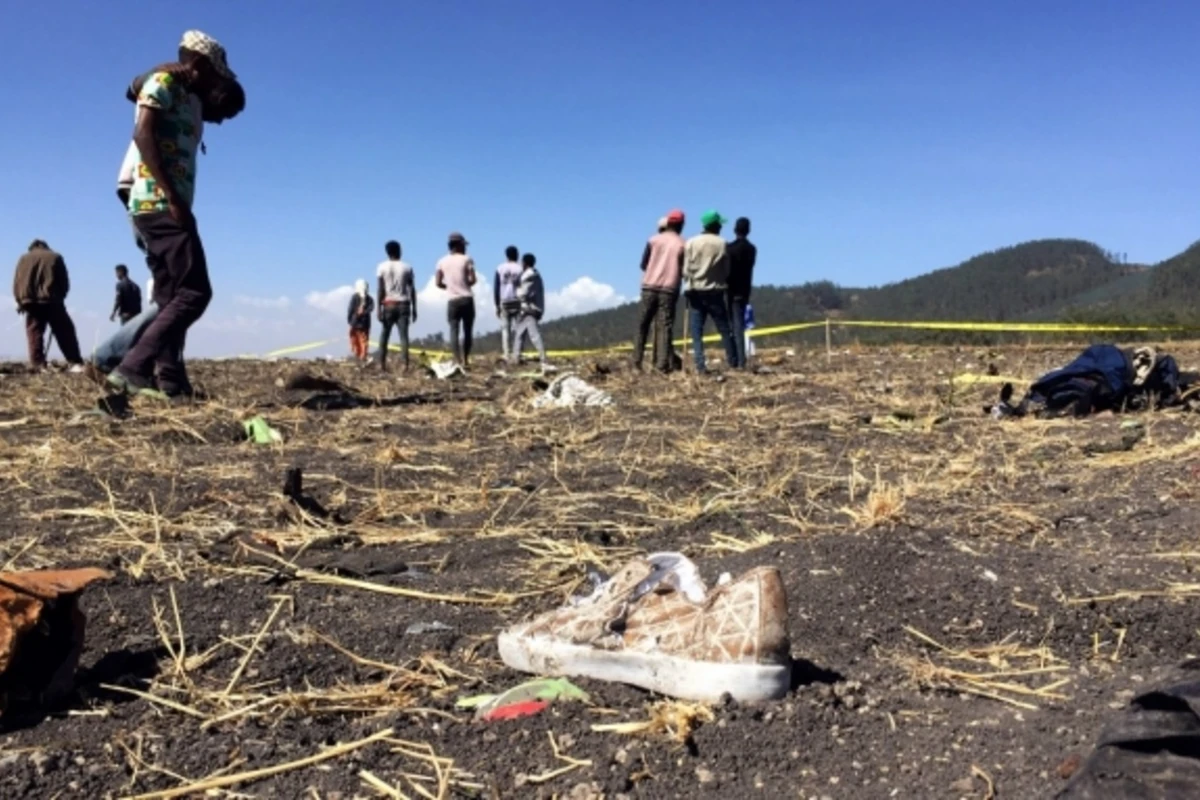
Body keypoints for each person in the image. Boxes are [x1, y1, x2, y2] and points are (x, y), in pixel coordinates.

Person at [107, 30, 238, 400]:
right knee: (196, 291)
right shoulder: (164, 80)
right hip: (158, 203)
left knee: (169, 297)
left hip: (162, 203)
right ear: (198, 65)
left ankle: (170, 380)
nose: (217, 84)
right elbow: (143, 134)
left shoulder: (189, 96)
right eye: (215, 75)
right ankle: (131, 368)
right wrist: (173, 197)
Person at [12, 240, 83, 371]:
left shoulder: (24, 258)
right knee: (64, 331)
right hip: (52, 300)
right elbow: (64, 281)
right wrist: (61, 296)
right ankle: (74, 361)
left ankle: (37, 363)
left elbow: (17, 281)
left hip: (30, 301)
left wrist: (20, 301)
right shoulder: (55, 257)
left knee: (34, 332)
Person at [684, 210, 738, 373]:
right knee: (724, 329)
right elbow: (727, 270)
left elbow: (686, 269)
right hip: (715, 290)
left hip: (695, 290)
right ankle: (732, 361)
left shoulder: (691, 242)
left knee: (696, 331)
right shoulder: (722, 243)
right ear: (716, 225)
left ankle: (700, 365)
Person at [633, 209, 685, 373]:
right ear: (681, 225)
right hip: (669, 289)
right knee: (664, 326)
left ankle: (636, 362)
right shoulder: (683, 244)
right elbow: (683, 268)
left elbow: (643, 264)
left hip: (649, 286)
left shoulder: (653, 240)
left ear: (668, 223)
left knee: (643, 324)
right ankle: (661, 366)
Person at [91, 278, 158, 374]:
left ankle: (108, 356)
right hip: (135, 313)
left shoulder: (121, 284)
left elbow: (118, 298)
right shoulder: (135, 286)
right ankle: (108, 356)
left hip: (127, 314)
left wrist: (114, 312)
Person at [435, 232, 477, 367]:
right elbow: (473, 279)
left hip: (452, 301)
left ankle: (457, 360)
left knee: (454, 330)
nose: (465, 248)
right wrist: (465, 284)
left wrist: (449, 287)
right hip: (466, 299)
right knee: (468, 331)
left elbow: (438, 282)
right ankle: (465, 359)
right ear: (459, 245)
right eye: (464, 245)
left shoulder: (441, 261)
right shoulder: (467, 259)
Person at [375, 240, 416, 371]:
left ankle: (381, 364)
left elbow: (380, 289)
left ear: (387, 252)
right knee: (404, 336)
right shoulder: (407, 267)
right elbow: (411, 289)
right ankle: (405, 364)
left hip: (388, 304)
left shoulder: (381, 267)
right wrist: (415, 308)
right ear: (399, 251)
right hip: (404, 304)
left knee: (384, 335)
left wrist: (378, 308)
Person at [726, 217, 757, 369]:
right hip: (745, 290)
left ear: (734, 229)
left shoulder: (729, 248)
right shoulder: (752, 249)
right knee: (739, 325)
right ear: (748, 230)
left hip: (731, 290)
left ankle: (738, 360)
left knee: (734, 325)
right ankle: (738, 358)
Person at [513, 252, 547, 367]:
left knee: (532, 335)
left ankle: (542, 358)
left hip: (529, 309)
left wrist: (516, 290)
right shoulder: (536, 275)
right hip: (533, 308)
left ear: (525, 263)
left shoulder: (529, 276)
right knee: (520, 333)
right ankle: (516, 357)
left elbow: (523, 294)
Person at [494, 245, 523, 362]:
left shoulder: (500, 268)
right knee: (518, 328)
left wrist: (496, 305)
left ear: (506, 255)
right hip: (517, 300)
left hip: (504, 300)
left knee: (505, 329)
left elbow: (496, 287)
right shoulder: (520, 269)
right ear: (517, 255)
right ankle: (517, 354)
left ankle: (507, 354)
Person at [347, 279, 374, 363]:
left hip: (356, 323)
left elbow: (350, 309)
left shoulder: (354, 297)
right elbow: (371, 308)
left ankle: (359, 356)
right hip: (364, 324)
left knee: (356, 340)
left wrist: (349, 319)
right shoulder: (369, 299)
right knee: (362, 341)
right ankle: (361, 356)